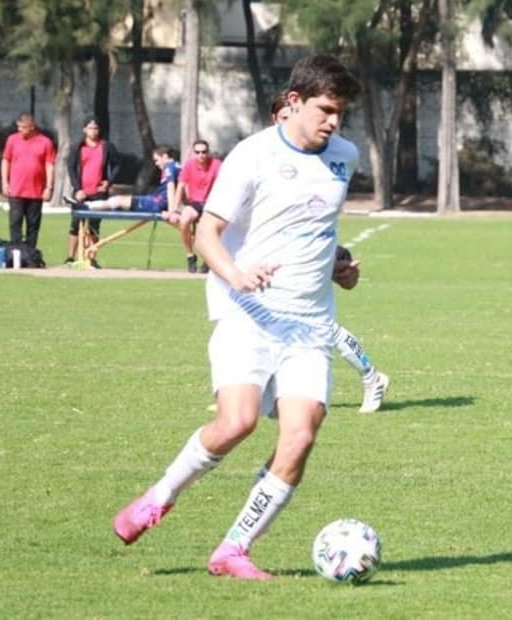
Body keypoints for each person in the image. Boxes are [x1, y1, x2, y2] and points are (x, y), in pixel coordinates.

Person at [112, 54, 363, 580]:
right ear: (293, 102)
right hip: (248, 313)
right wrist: (236, 273)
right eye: (325, 109)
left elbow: (313, 225)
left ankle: (233, 549)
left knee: (301, 435)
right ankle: (159, 496)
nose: (333, 122)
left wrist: (339, 264)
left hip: (311, 325)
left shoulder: (345, 155)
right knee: (237, 422)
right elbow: (206, 233)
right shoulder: (251, 156)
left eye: (340, 113)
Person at [271, 92, 390, 413]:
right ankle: (254, 394)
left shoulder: (327, 156)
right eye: (282, 118)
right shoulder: (263, 155)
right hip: (271, 259)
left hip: (308, 256)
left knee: (321, 325)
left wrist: (334, 252)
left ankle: (371, 375)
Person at [64, 117, 121, 268]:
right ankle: (71, 257)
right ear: (84, 129)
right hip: (81, 192)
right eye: (90, 128)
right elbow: (71, 167)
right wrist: (77, 189)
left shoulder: (106, 146)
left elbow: (117, 165)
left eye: (95, 128)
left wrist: (108, 182)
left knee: (94, 226)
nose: (93, 131)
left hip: (98, 192)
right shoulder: (78, 147)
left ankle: (91, 256)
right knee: (76, 224)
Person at [65, 145, 179, 217]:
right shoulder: (177, 167)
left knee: (117, 201)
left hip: (154, 203)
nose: (156, 164)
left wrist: (172, 211)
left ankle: (85, 206)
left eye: (157, 160)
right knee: (117, 201)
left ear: (165, 156)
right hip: (155, 201)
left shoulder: (169, 167)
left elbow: (171, 189)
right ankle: (86, 205)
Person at [1, 113, 56, 248]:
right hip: (16, 190)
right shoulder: (12, 140)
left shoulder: (45, 142)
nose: (20, 130)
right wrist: (4, 182)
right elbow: (6, 160)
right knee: (15, 222)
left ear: (32, 127)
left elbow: (49, 165)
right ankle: (16, 253)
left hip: (36, 191)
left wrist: (49, 187)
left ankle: (30, 253)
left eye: (23, 127)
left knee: (33, 225)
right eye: (18, 127)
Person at [171, 139, 221, 273]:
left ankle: (208, 260)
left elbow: (223, 186)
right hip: (194, 203)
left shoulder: (216, 165)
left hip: (211, 204)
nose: (201, 155)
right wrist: (175, 210)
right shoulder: (189, 165)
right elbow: (180, 187)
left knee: (207, 231)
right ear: (194, 153)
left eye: (204, 152)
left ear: (208, 152)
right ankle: (190, 256)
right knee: (184, 220)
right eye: (197, 152)